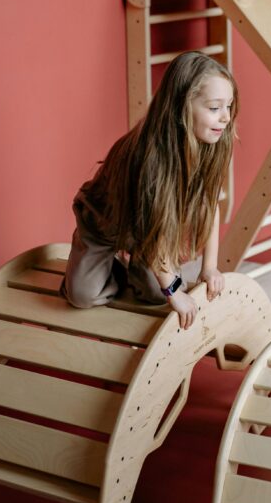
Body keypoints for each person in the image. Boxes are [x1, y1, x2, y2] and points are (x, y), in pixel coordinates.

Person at [61, 51, 237, 330]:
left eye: (229, 106)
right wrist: (173, 292)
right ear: (182, 106)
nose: (226, 117)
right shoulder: (150, 156)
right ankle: (109, 264)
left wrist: (209, 267)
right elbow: (150, 229)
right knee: (83, 296)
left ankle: (139, 264)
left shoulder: (210, 142)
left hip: (148, 231)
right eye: (214, 108)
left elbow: (208, 203)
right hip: (105, 223)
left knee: (155, 295)